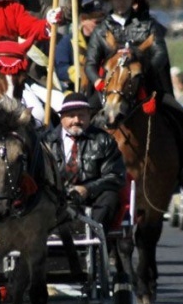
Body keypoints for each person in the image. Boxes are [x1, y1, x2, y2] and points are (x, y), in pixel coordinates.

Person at [84, 0, 183, 190]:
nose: (121, 2)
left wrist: (142, 70)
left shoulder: (148, 26)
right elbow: (90, 63)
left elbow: (160, 55)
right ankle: (83, 167)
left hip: (145, 86)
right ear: (111, 0)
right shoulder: (102, 30)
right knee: (83, 115)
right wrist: (98, 81)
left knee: (179, 113)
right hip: (109, 88)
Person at [41, 92, 125, 233]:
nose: (76, 120)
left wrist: (88, 189)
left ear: (89, 116)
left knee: (111, 196)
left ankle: (94, 237)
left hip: (92, 198)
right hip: (54, 198)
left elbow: (115, 176)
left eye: (82, 115)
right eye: (71, 115)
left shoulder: (104, 140)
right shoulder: (45, 141)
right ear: (62, 117)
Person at [55, 0, 104, 94]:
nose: (101, 27)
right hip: (74, 91)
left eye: (102, 22)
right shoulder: (68, 42)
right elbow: (60, 69)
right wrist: (79, 73)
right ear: (83, 20)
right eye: (96, 23)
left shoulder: (105, 42)